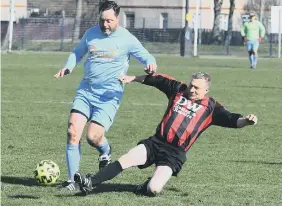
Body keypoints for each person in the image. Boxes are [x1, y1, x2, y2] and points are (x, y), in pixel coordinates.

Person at [73, 72, 258, 196]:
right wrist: (134, 78)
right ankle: (90, 181)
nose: (192, 90)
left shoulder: (211, 108)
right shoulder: (178, 90)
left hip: (174, 154)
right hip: (156, 143)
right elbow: (157, 80)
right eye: (191, 85)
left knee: (154, 189)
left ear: (206, 90)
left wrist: (246, 121)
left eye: (197, 88)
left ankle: (143, 187)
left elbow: (232, 119)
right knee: (126, 159)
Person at [54, 1, 157, 191]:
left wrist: (151, 64)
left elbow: (146, 56)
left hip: (109, 96)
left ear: (118, 18)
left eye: (109, 20)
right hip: (86, 91)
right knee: (72, 132)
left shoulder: (127, 38)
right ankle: (72, 182)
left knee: (93, 137)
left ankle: (105, 150)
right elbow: (77, 53)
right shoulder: (91, 33)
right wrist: (68, 67)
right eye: (102, 20)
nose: (105, 24)